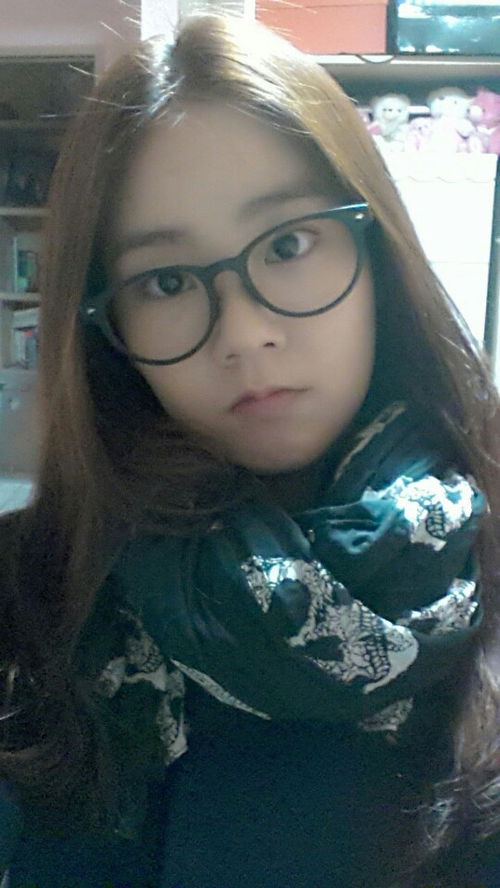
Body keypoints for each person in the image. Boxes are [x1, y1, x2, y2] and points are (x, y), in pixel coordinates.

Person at [0, 12, 499, 888]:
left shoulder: (484, 564)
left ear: (376, 253)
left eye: (288, 244)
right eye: (166, 281)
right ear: (109, 328)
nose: (244, 334)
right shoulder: (30, 589)